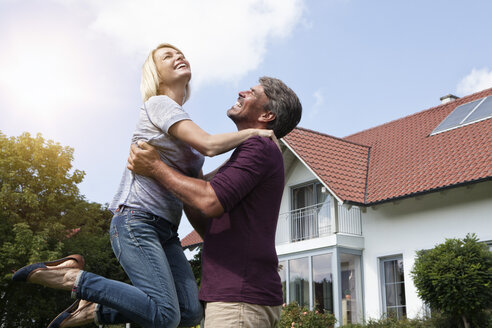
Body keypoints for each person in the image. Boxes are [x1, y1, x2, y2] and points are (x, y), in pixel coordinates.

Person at [12, 43, 276, 328]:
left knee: (189, 314)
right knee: (165, 316)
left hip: (166, 230)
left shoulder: (181, 119)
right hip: (136, 220)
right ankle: (74, 278)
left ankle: (96, 310)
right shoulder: (158, 104)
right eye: (168, 56)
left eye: (181, 54)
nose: (179, 57)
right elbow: (210, 146)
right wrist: (254, 134)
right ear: (157, 75)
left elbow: (198, 187)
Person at [127, 76, 302, 328]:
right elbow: (205, 216)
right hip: (237, 295)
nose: (241, 92)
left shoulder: (258, 148)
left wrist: (156, 168)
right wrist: (186, 173)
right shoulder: (247, 153)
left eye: (252, 92)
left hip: (239, 299)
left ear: (266, 115)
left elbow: (208, 200)